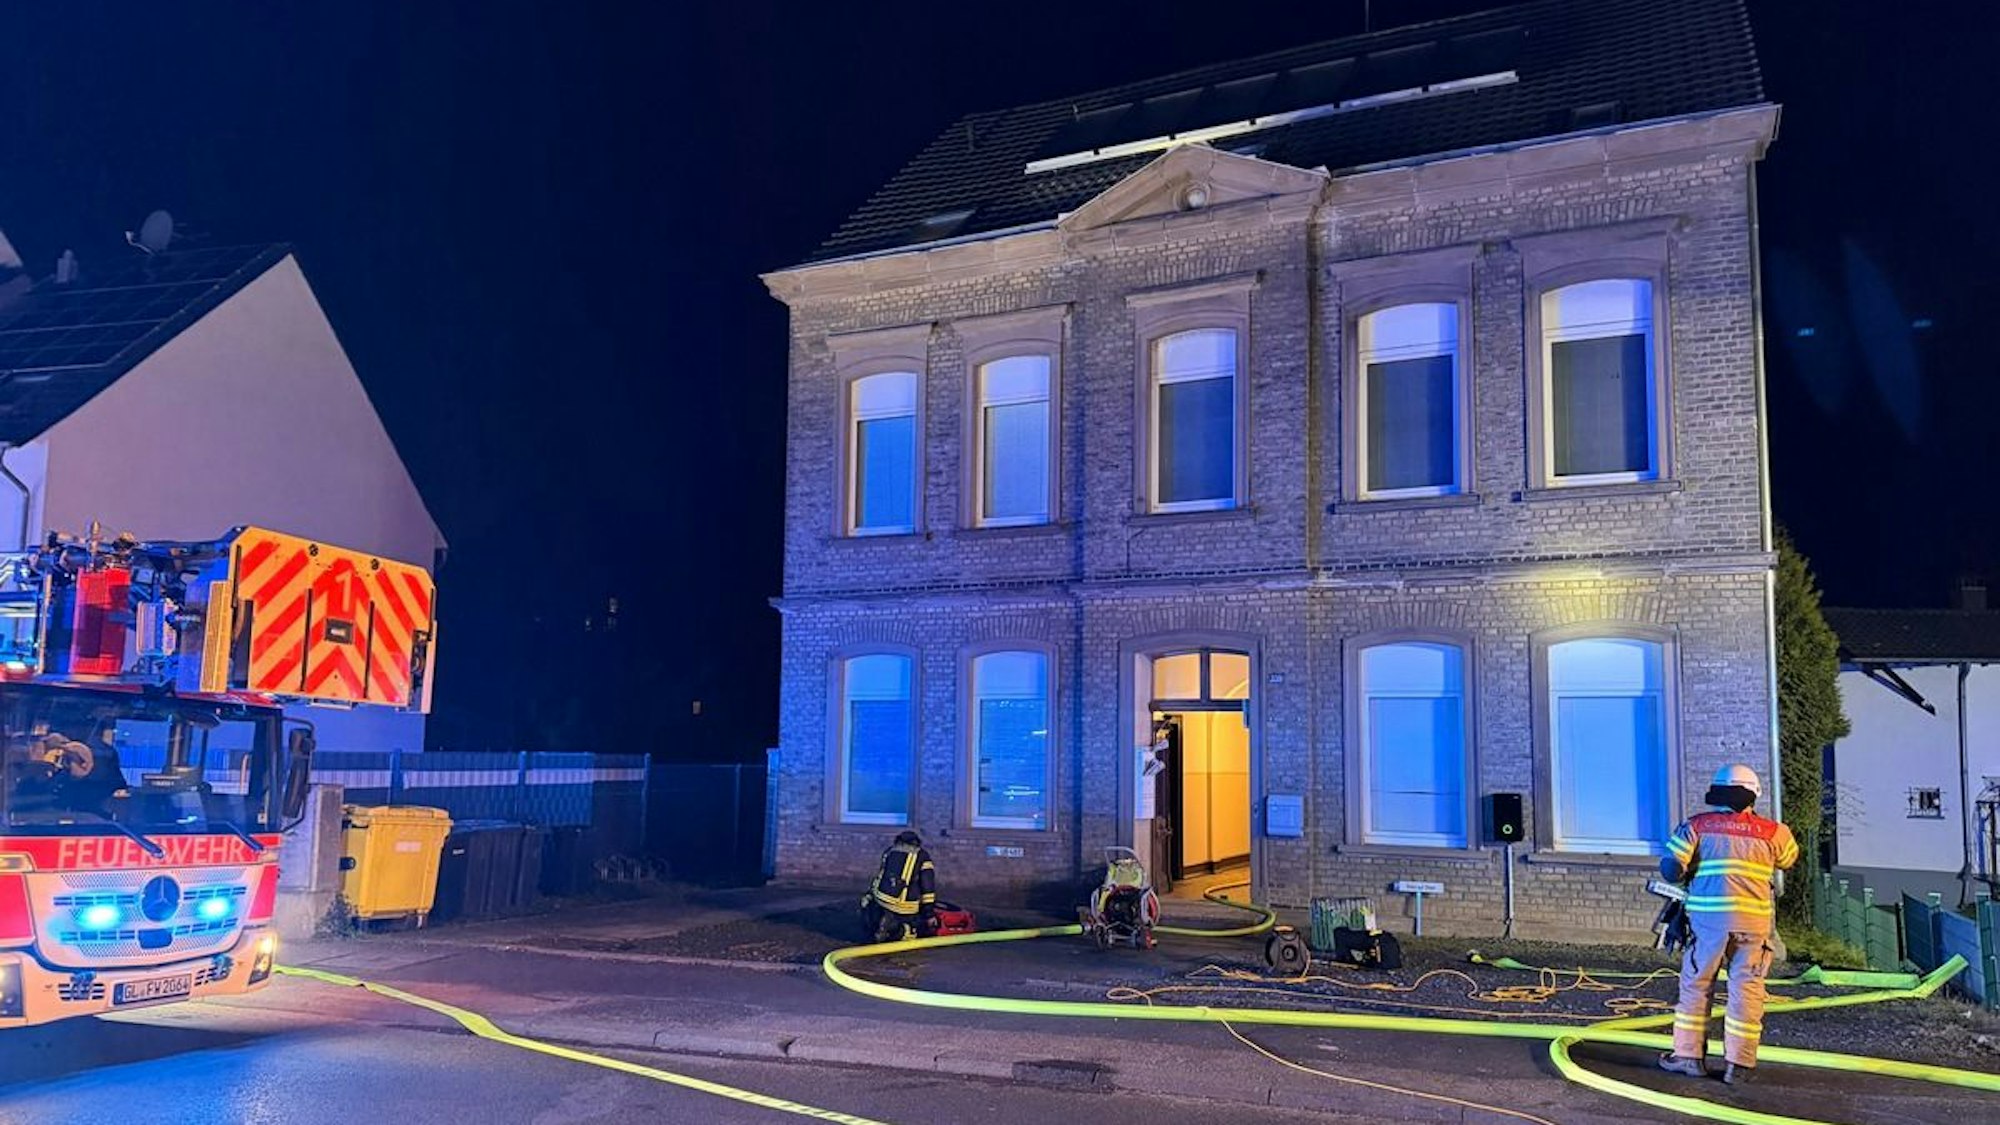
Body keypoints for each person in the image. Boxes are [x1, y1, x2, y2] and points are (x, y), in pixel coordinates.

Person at [1656, 763, 1800, 1086]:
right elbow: (1789, 859)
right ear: (1753, 795)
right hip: (1754, 926)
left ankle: (1689, 1057)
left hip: (1708, 924)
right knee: (1747, 990)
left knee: (1697, 986)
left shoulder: (1697, 827)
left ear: (1716, 793)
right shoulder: (1775, 832)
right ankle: (1740, 1066)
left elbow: (1670, 868)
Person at [862, 830, 937, 943]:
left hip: (881, 899)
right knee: (913, 932)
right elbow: (928, 885)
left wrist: (870, 894)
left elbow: (880, 876)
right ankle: (896, 929)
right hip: (905, 905)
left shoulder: (889, 851)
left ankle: (880, 925)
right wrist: (929, 913)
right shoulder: (922, 856)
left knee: (876, 912)